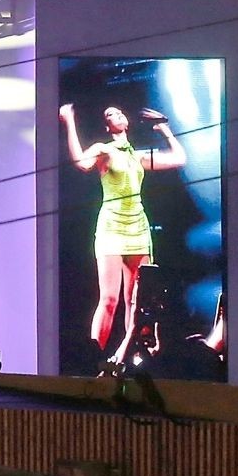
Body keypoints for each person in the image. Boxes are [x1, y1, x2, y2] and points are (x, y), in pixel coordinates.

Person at [60, 102, 188, 371]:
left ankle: (127, 357)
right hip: (112, 226)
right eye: (110, 114)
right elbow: (81, 163)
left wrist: (163, 129)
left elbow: (179, 158)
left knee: (137, 300)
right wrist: (69, 121)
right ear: (107, 126)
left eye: (119, 112)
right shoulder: (103, 150)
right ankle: (93, 359)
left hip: (137, 226)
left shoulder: (137, 156)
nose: (117, 115)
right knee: (109, 299)